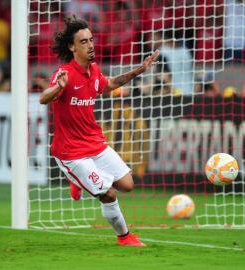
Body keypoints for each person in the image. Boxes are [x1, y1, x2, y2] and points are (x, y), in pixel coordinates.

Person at [39, 15, 159, 247]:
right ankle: (124, 237)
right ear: (72, 47)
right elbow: (44, 98)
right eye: (83, 42)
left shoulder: (93, 70)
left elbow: (109, 84)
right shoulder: (64, 73)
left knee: (127, 185)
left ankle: (80, 182)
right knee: (109, 195)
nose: (91, 45)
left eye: (91, 40)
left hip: (94, 143)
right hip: (71, 152)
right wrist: (58, 88)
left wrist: (140, 69)